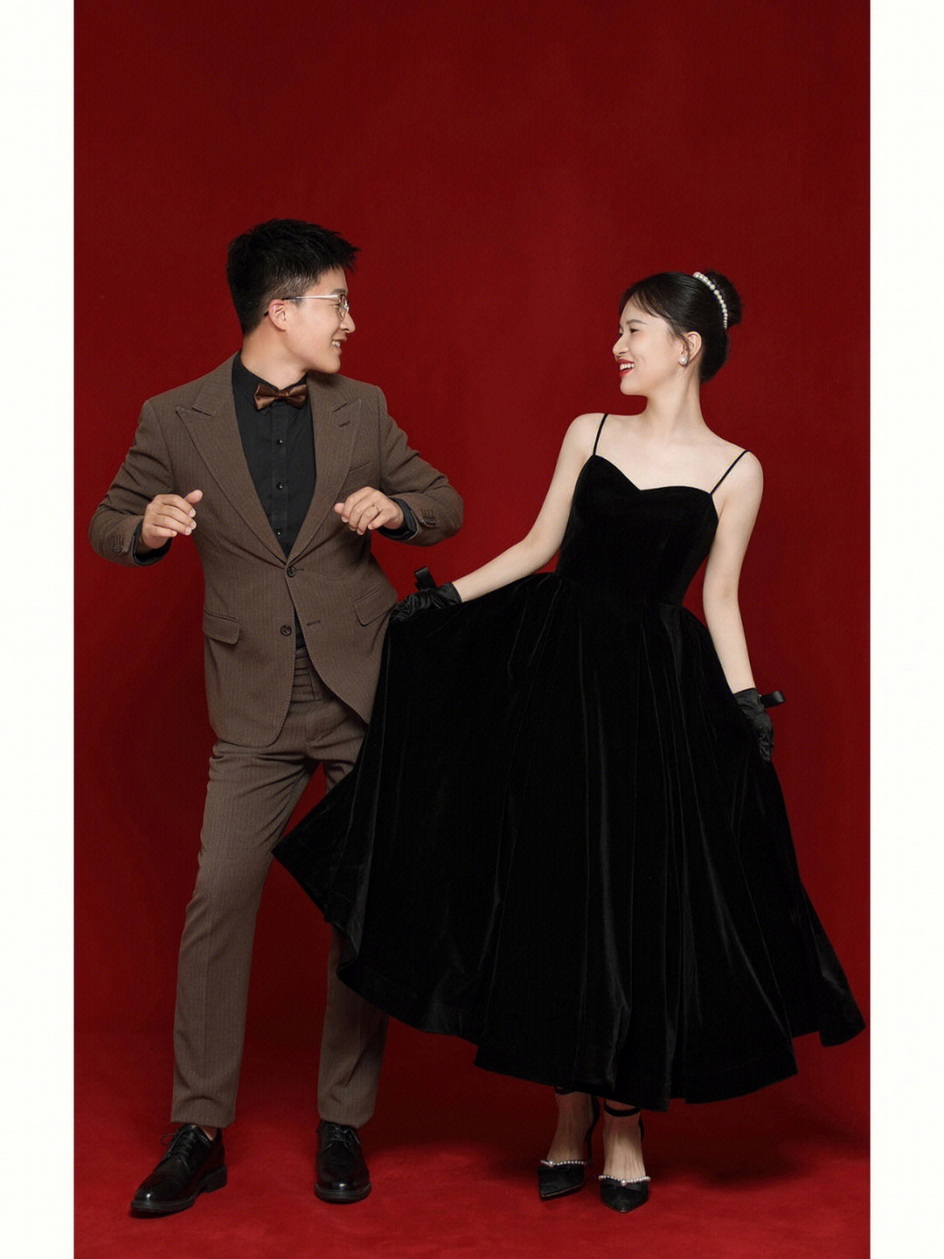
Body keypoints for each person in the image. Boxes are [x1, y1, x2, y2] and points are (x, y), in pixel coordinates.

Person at [274, 270, 865, 1215]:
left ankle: (622, 1121)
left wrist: (744, 701)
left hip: (653, 701)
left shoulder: (736, 470)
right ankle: (565, 1112)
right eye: (618, 330)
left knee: (628, 898)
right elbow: (535, 546)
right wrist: (446, 599)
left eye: (634, 330)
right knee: (550, 886)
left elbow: (719, 598)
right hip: (553, 679)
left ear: (687, 347)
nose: (617, 346)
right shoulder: (588, 432)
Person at [88, 219, 463, 1215]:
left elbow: (443, 501)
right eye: (337, 302)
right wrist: (146, 528)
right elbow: (107, 522)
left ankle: (342, 1119)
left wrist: (397, 510)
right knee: (219, 897)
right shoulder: (172, 417)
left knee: (359, 904)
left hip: (362, 690)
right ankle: (198, 1129)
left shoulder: (362, 407)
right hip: (252, 699)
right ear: (281, 309)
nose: (350, 321)